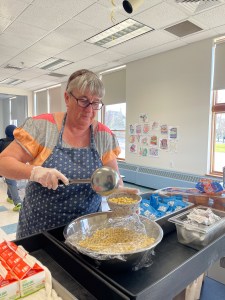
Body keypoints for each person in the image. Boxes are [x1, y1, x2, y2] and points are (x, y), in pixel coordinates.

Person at [0, 69, 138, 239]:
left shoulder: (104, 135)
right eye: (83, 101)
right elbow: (4, 162)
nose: (90, 109)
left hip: (86, 230)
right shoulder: (43, 127)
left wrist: (119, 194)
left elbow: (113, 179)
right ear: (67, 98)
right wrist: (35, 172)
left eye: (95, 103)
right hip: (40, 229)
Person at [0, 125, 22, 211]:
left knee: (11, 182)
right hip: (16, 166)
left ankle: (15, 200)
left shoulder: (2, 142)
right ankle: (15, 200)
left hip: (5, 167)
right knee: (11, 181)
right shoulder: (18, 143)